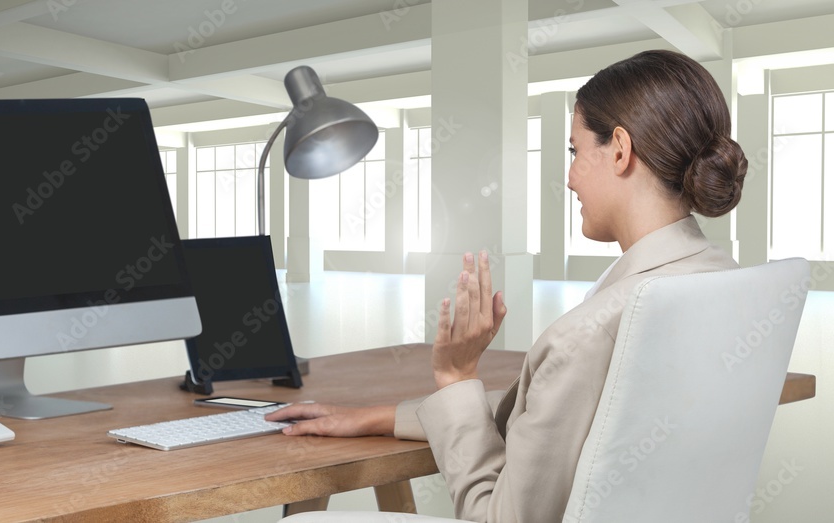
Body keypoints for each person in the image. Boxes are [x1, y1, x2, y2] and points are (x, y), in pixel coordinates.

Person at [268, 49, 747, 523]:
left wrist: (456, 376)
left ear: (620, 150)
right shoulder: (723, 283)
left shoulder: (584, 338)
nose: (571, 178)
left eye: (576, 151)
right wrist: (374, 417)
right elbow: (548, 415)